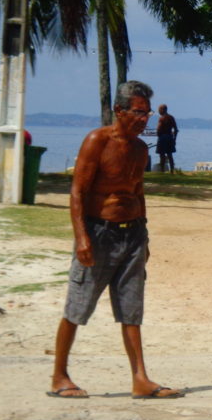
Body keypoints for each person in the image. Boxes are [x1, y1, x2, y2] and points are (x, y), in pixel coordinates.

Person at [48, 80, 183, 400]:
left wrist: (145, 235)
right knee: (77, 307)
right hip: (98, 234)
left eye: (147, 113)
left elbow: (137, 190)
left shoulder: (139, 149)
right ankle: (59, 375)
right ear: (119, 111)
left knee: (131, 309)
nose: (144, 119)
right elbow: (78, 191)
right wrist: (82, 238)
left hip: (133, 234)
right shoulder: (97, 141)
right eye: (138, 113)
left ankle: (140, 379)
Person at [155, 103, 179, 173]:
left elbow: (159, 129)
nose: (159, 111)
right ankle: (172, 170)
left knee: (162, 155)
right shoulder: (171, 118)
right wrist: (174, 139)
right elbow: (176, 129)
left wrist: (158, 134)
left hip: (162, 138)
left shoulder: (161, 118)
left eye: (159, 110)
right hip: (170, 137)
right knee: (170, 154)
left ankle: (162, 170)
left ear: (163, 110)